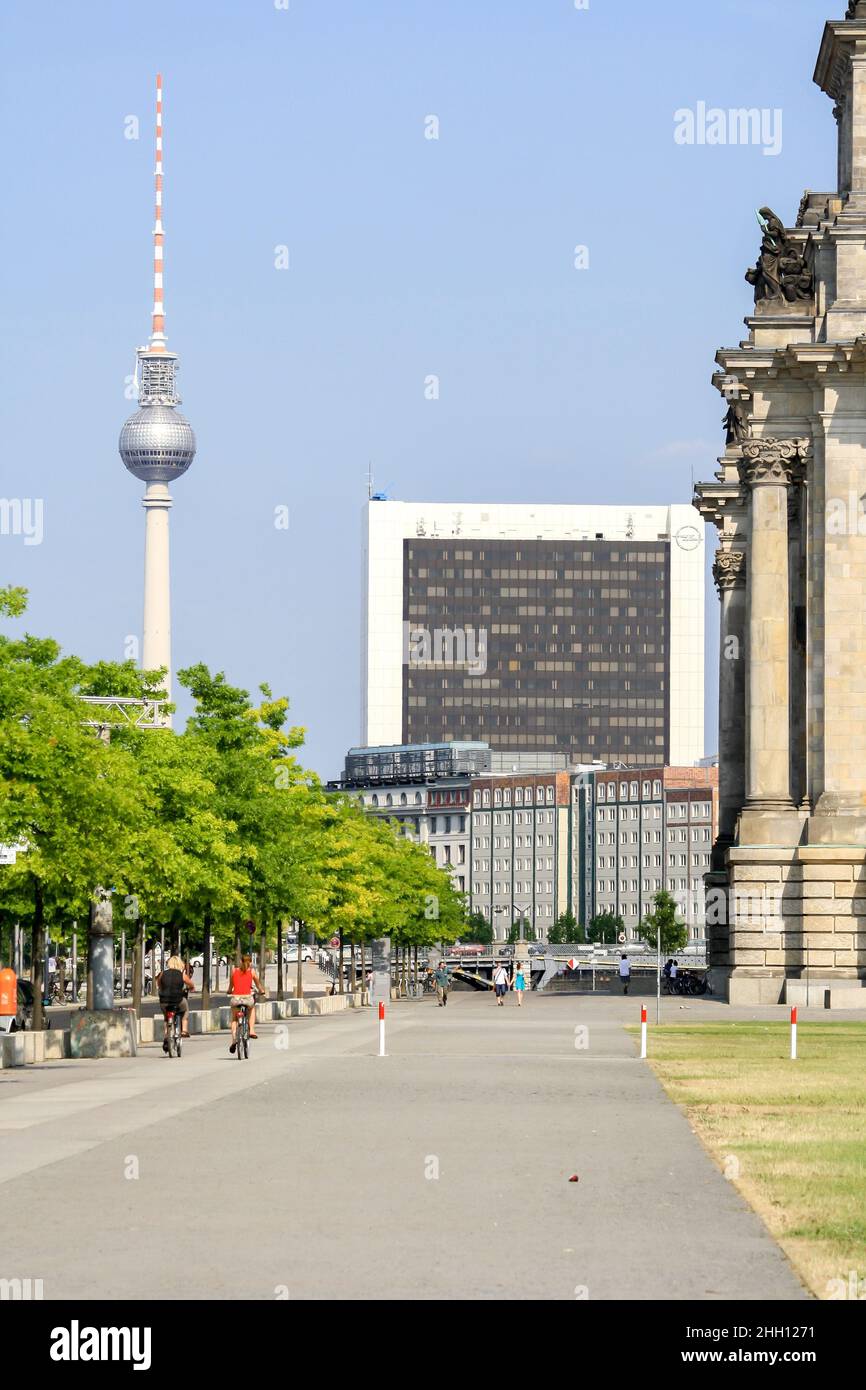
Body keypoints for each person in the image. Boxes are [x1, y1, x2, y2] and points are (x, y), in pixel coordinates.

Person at [157, 954, 195, 1049]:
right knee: (185, 1009)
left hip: (164, 1001)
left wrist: (163, 990)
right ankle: (184, 1030)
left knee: (166, 1018)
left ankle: (166, 1036)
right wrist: (191, 988)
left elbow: (159, 985)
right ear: (180, 964)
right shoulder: (182, 975)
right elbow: (191, 984)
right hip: (178, 1000)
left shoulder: (162, 973)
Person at [229, 953, 264, 1052]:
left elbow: (230, 986)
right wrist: (262, 990)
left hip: (236, 999)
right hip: (248, 999)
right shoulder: (252, 972)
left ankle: (234, 1040)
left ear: (240, 961)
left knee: (234, 1019)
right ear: (250, 962)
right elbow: (258, 985)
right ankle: (252, 1030)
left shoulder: (234, 971)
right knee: (252, 1008)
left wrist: (229, 991)